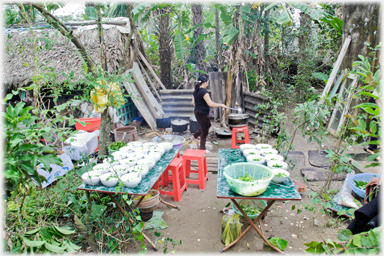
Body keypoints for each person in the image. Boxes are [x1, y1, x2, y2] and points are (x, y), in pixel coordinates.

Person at [191, 75, 226, 152]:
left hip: (197, 112)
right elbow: (210, 104)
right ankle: (202, 149)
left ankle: (195, 136)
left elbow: (193, 103)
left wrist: (199, 107)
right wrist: (221, 105)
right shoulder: (204, 92)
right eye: (207, 82)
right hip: (202, 113)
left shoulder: (195, 91)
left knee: (208, 125)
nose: (207, 84)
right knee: (205, 131)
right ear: (204, 82)